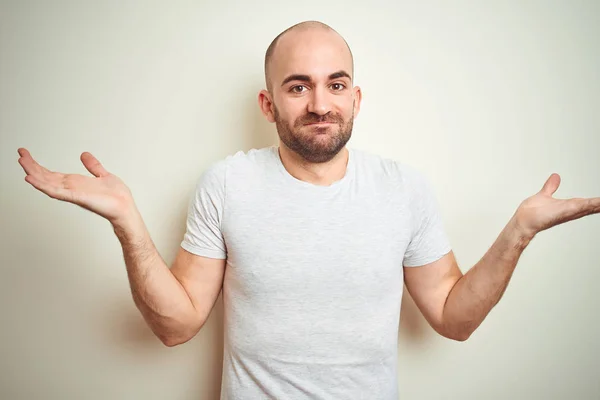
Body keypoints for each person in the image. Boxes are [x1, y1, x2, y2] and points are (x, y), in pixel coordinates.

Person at [17, 20, 600, 400]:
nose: (321, 104)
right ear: (269, 103)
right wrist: (128, 224)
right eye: (298, 87)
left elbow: (453, 317)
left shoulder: (405, 189)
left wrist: (518, 233)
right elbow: (177, 325)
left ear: (357, 97)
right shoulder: (227, 183)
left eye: (336, 84)